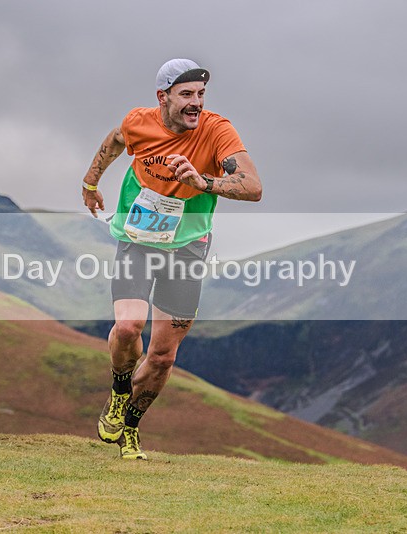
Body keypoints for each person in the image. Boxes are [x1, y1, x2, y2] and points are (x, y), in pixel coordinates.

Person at [82, 59, 262, 459]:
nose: (196, 103)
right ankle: (118, 390)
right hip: (140, 237)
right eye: (186, 95)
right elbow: (113, 141)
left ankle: (130, 426)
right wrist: (90, 182)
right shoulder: (139, 123)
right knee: (129, 327)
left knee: (162, 356)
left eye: (200, 95)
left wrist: (203, 182)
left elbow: (253, 187)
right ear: (163, 98)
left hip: (188, 247)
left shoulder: (217, 130)